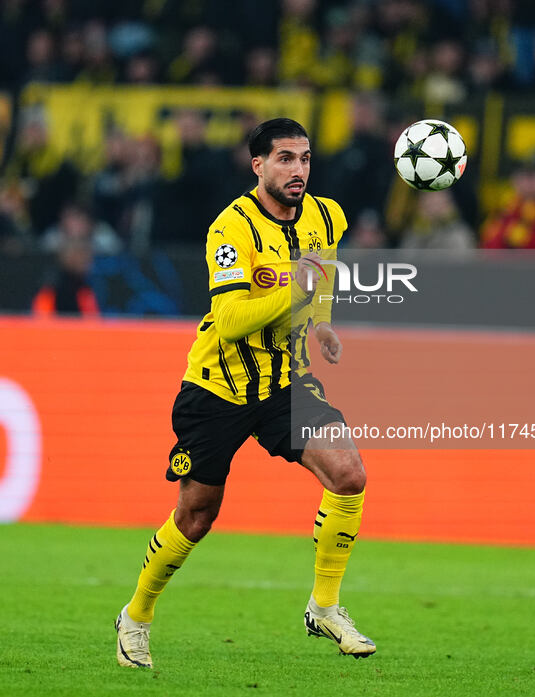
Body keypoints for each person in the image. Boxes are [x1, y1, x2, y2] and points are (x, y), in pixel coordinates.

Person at [115, 118, 375, 667]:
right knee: (197, 513)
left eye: (305, 158)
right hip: (217, 388)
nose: (298, 170)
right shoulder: (230, 229)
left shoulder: (327, 216)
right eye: (285, 159)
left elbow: (319, 284)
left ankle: (324, 607)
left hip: (284, 381)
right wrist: (295, 289)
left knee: (349, 474)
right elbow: (231, 319)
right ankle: (136, 614)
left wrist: (321, 323)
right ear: (257, 165)